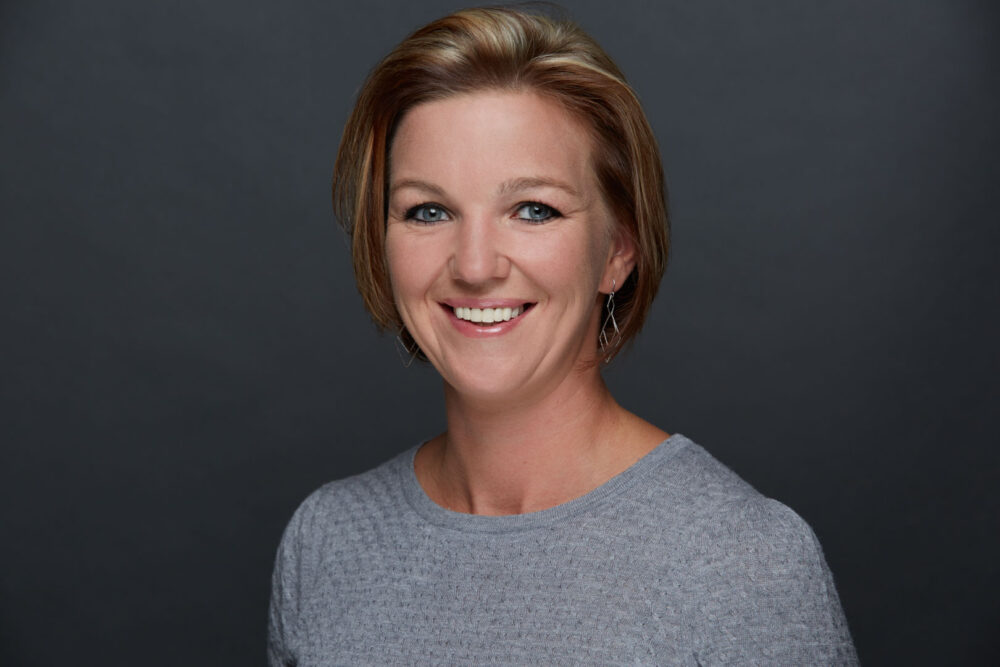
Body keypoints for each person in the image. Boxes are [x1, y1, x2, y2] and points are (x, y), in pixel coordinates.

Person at [268, 7, 858, 665]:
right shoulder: (325, 542)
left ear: (618, 250)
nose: (475, 264)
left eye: (533, 210)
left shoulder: (744, 561)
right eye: (427, 211)